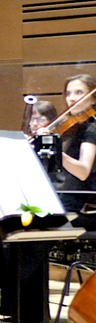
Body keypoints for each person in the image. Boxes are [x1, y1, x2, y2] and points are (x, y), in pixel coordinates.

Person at [53, 74, 96, 218]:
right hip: (69, 200)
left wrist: (54, 148)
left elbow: (83, 171)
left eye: (79, 93)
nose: (71, 98)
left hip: (81, 208)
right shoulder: (77, 127)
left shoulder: (92, 129)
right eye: (68, 93)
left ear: (93, 98)